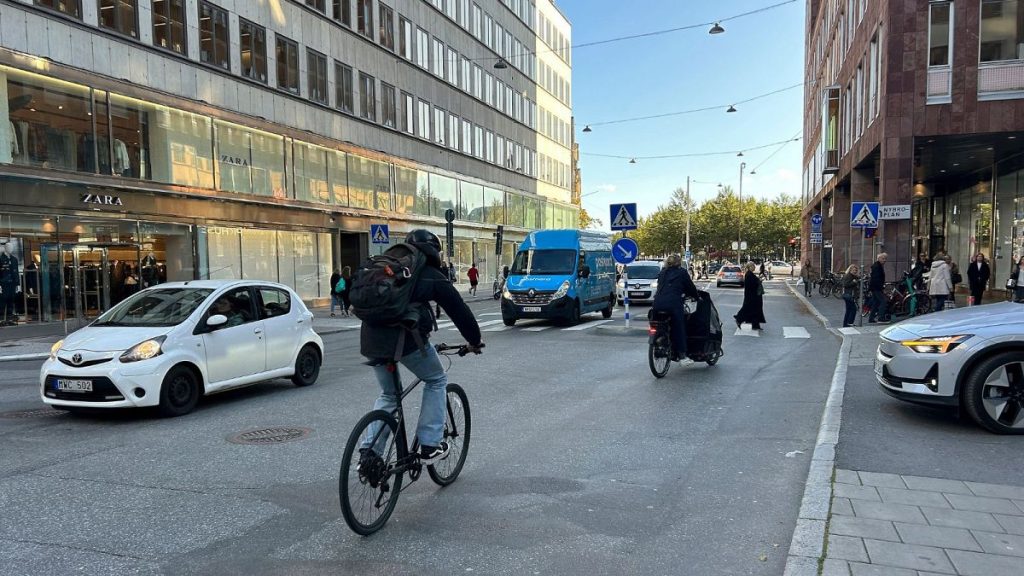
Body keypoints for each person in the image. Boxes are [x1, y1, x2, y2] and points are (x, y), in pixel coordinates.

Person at [360, 229, 483, 464]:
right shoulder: (429, 274)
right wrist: (474, 341)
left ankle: (369, 454)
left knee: (388, 394)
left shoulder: (389, 268)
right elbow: (459, 310)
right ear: (434, 253)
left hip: (371, 338)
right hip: (403, 340)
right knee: (436, 379)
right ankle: (429, 445)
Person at [651, 254, 700, 364]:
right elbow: (690, 287)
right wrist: (696, 297)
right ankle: (682, 356)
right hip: (673, 304)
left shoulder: (663, 272)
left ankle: (657, 342)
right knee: (679, 327)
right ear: (679, 262)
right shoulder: (681, 272)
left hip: (657, 303)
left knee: (657, 324)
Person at [735, 262, 766, 330]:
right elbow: (751, 284)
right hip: (752, 296)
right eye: (753, 266)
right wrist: (759, 281)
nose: (755, 267)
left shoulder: (750, 274)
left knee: (755, 310)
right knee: (749, 309)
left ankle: (755, 325)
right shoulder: (749, 274)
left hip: (754, 295)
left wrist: (758, 280)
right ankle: (739, 318)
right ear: (750, 267)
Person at [868, 253, 888, 324]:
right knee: (883, 301)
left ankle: (871, 318)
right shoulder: (877, 266)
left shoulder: (878, 265)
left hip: (875, 287)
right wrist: (881, 288)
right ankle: (881, 318)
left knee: (876, 303)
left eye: (885, 258)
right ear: (878, 258)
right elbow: (876, 279)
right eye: (883, 258)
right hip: (876, 287)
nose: (884, 260)